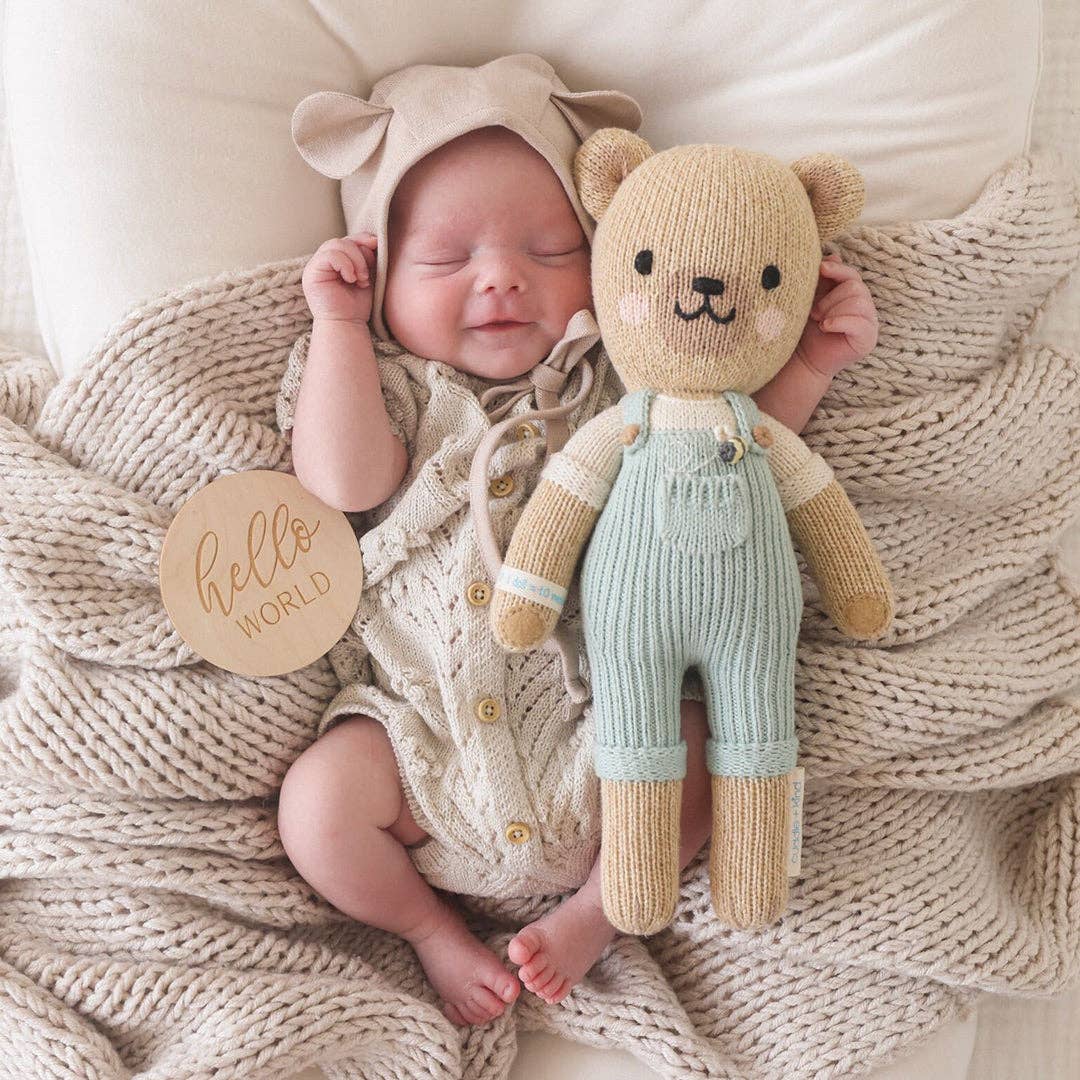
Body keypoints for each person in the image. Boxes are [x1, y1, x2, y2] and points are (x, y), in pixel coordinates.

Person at [275, 55, 879, 1028]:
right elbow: (344, 483)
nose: (501, 277)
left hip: (604, 731)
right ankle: (428, 929)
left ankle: (600, 914)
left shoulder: (618, 380)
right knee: (316, 805)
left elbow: (729, 459)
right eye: (446, 259)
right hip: (421, 746)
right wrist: (340, 324)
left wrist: (806, 364)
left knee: (701, 743)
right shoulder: (392, 387)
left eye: (551, 250)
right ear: (382, 274)